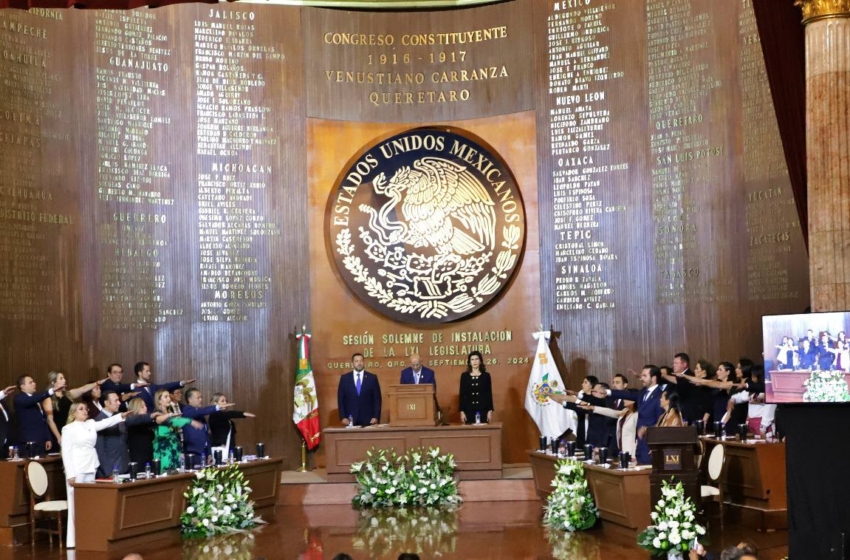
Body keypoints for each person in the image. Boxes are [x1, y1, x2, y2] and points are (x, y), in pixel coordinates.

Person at [61, 402, 128, 548]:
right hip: (76, 468)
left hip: (91, 465)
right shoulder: (68, 429)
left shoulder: (91, 423)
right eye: (81, 409)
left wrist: (120, 416)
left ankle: (89, 535)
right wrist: (70, 474)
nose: (85, 411)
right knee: (75, 503)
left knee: (89, 501)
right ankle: (73, 540)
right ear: (73, 413)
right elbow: (66, 453)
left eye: (85, 408)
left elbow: (105, 422)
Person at [94, 391, 165, 478]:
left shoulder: (119, 416)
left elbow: (135, 419)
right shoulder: (99, 420)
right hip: (110, 471)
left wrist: (151, 416)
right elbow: (99, 450)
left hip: (124, 467)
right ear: (106, 403)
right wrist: (107, 472)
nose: (119, 403)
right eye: (116, 401)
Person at [607, 365, 665, 464]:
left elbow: (661, 422)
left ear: (654, 378)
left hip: (651, 446)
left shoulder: (661, 395)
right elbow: (626, 394)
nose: (641, 378)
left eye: (644, 376)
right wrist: (607, 392)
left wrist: (647, 429)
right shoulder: (642, 392)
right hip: (640, 445)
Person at [43, 372, 105, 448]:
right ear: (53, 382)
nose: (64, 380)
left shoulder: (68, 394)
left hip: (71, 430)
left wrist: (96, 383)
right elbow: (50, 420)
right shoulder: (49, 398)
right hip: (58, 431)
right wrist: (59, 437)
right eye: (61, 378)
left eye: (64, 378)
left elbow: (83, 389)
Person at [181, 388, 234, 466]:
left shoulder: (200, 415)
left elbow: (206, 435)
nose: (201, 399)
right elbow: (200, 411)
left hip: (204, 453)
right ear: (190, 400)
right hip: (193, 453)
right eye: (198, 398)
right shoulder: (186, 411)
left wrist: (209, 453)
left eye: (201, 397)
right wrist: (216, 407)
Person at [14, 374, 64, 457]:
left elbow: (43, 420)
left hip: (41, 442)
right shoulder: (19, 398)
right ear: (23, 387)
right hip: (29, 443)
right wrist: (51, 391)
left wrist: (48, 438)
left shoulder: (36, 400)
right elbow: (32, 400)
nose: (34, 383)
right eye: (30, 382)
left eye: (33, 381)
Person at [153, 389, 201, 470]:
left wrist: (180, 451)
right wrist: (188, 421)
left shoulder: (170, 412)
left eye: (169, 396)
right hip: (164, 451)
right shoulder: (156, 412)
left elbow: (176, 431)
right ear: (159, 401)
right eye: (165, 397)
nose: (169, 399)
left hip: (175, 449)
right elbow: (160, 420)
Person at [337, 353, 382, 427]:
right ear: (352, 363)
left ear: (364, 362)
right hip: (350, 420)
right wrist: (343, 417)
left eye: (361, 361)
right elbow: (341, 400)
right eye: (356, 361)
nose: (359, 363)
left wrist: (376, 416)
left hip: (368, 419)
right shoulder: (344, 379)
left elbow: (377, 399)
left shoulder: (372, 378)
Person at [458, 351, 494, 424]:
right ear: (469, 362)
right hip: (468, 411)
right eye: (472, 359)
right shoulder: (464, 376)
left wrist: (490, 411)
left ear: (480, 361)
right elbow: (462, 394)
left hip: (483, 410)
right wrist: (462, 412)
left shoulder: (486, 376)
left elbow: (488, 394)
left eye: (477, 359)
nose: (474, 361)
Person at [0, 385, 15, 459]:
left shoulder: (3, 403)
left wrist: (11, 446)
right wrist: (3, 393)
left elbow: (8, 425)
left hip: (4, 445)